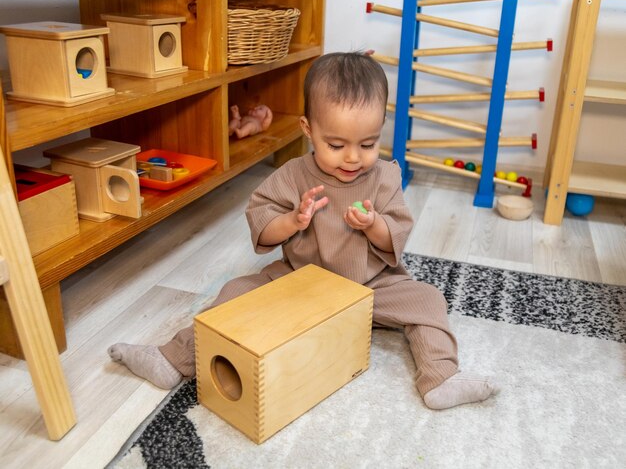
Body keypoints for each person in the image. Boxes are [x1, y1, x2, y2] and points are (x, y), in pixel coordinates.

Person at [109, 52, 497, 410]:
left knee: (428, 299)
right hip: (299, 281)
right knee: (234, 293)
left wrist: (375, 224)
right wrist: (293, 220)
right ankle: (172, 360)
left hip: (369, 286)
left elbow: (395, 234)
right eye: (336, 144)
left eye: (368, 143)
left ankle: (440, 377)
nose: (353, 157)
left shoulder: (384, 177)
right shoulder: (293, 175)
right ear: (308, 129)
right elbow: (262, 221)